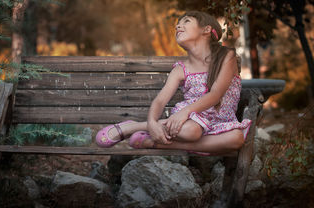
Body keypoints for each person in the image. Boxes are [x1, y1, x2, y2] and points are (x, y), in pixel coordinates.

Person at [95, 10, 252, 155]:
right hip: (191, 121)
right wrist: (151, 122)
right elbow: (161, 100)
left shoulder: (226, 57)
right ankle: (133, 127)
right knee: (192, 131)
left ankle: (150, 140)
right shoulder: (180, 69)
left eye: (186, 21)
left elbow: (216, 94)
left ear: (206, 30)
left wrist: (184, 112)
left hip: (220, 123)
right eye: (178, 23)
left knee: (237, 138)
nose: (178, 26)